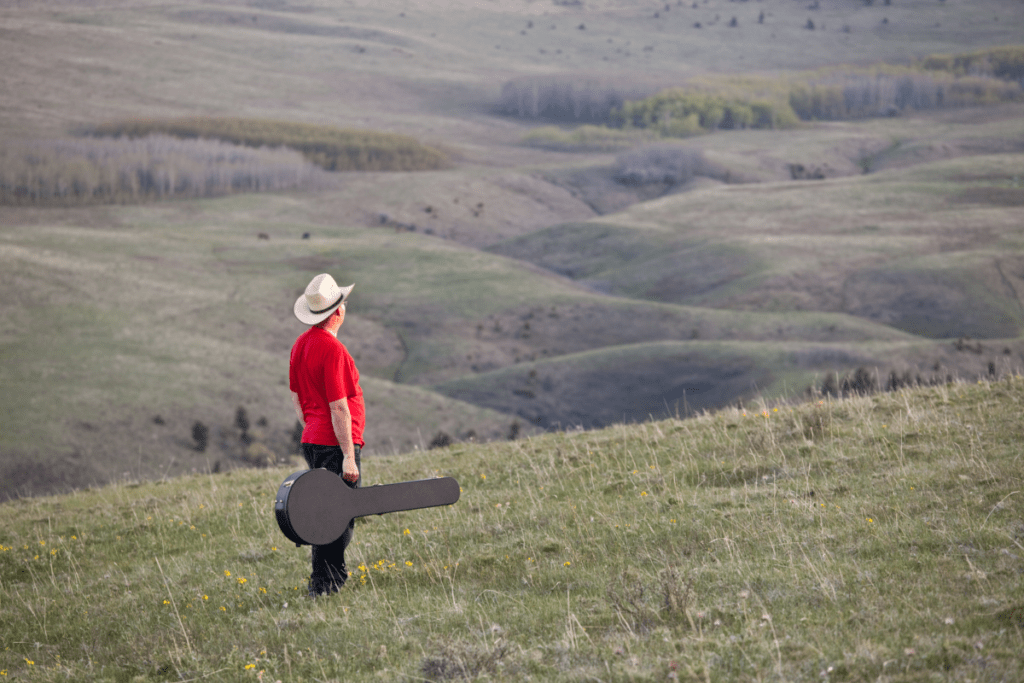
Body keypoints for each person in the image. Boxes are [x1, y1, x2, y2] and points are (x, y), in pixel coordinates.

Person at [289, 273, 365, 597]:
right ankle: (328, 583)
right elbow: (339, 407)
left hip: (312, 438)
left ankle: (321, 580)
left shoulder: (300, 345)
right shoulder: (333, 350)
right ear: (338, 312)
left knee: (323, 513)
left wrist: (311, 425)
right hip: (334, 443)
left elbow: (296, 398)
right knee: (339, 516)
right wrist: (348, 454)